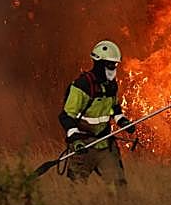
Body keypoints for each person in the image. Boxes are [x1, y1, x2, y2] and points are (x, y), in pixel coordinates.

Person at [57, 40, 133, 186]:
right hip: (83, 147)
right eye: (111, 64)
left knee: (118, 186)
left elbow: (114, 109)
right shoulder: (82, 86)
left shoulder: (111, 85)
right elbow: (66, 116)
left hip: (105, 144)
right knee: (76, 189)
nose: (114, 68)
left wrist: (123, 121)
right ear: (99, 63)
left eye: (116, 64)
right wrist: (75, 139)